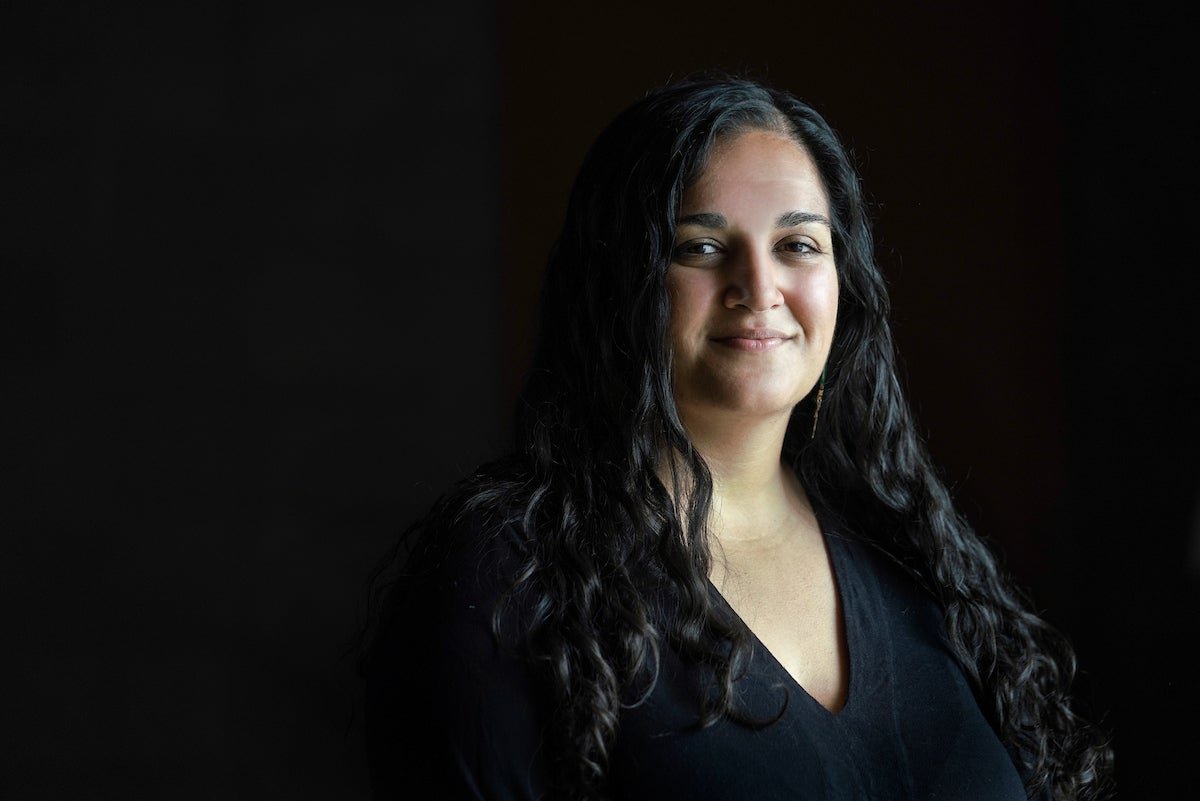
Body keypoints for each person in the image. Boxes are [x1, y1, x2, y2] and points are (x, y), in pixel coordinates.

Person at [360, 73, 1115, 801]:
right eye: (701, 246)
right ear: (619, 282)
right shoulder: (514, 573)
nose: (759, 288)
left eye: (798, 245)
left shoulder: (908, 547)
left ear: (843, 282)